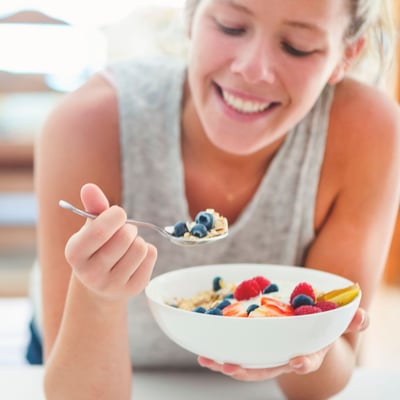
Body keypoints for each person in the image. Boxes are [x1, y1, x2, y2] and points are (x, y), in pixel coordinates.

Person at [30, 0, 400, 399]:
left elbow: (322, 381)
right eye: (230, 26)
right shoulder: (91, 124)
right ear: (191, 15)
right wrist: (96, 298)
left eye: (296, 46)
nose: (252, 68)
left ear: (346, 55)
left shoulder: (369, 132)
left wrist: (306, 340)